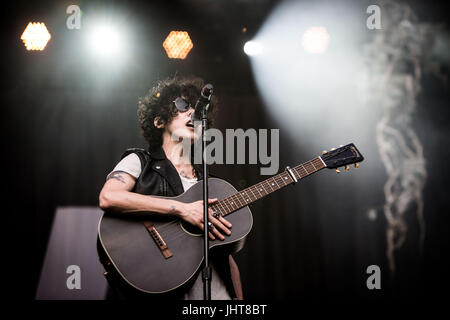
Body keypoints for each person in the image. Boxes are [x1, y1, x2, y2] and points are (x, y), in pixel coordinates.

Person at [97, 76, 243, 300]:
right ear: (159, 121)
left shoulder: (209, 183)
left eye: (197, 110)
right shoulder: (140, 161)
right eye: (183, 106)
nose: (192, 113)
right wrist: (183, 209)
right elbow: (109, 197)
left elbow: (224, 254)